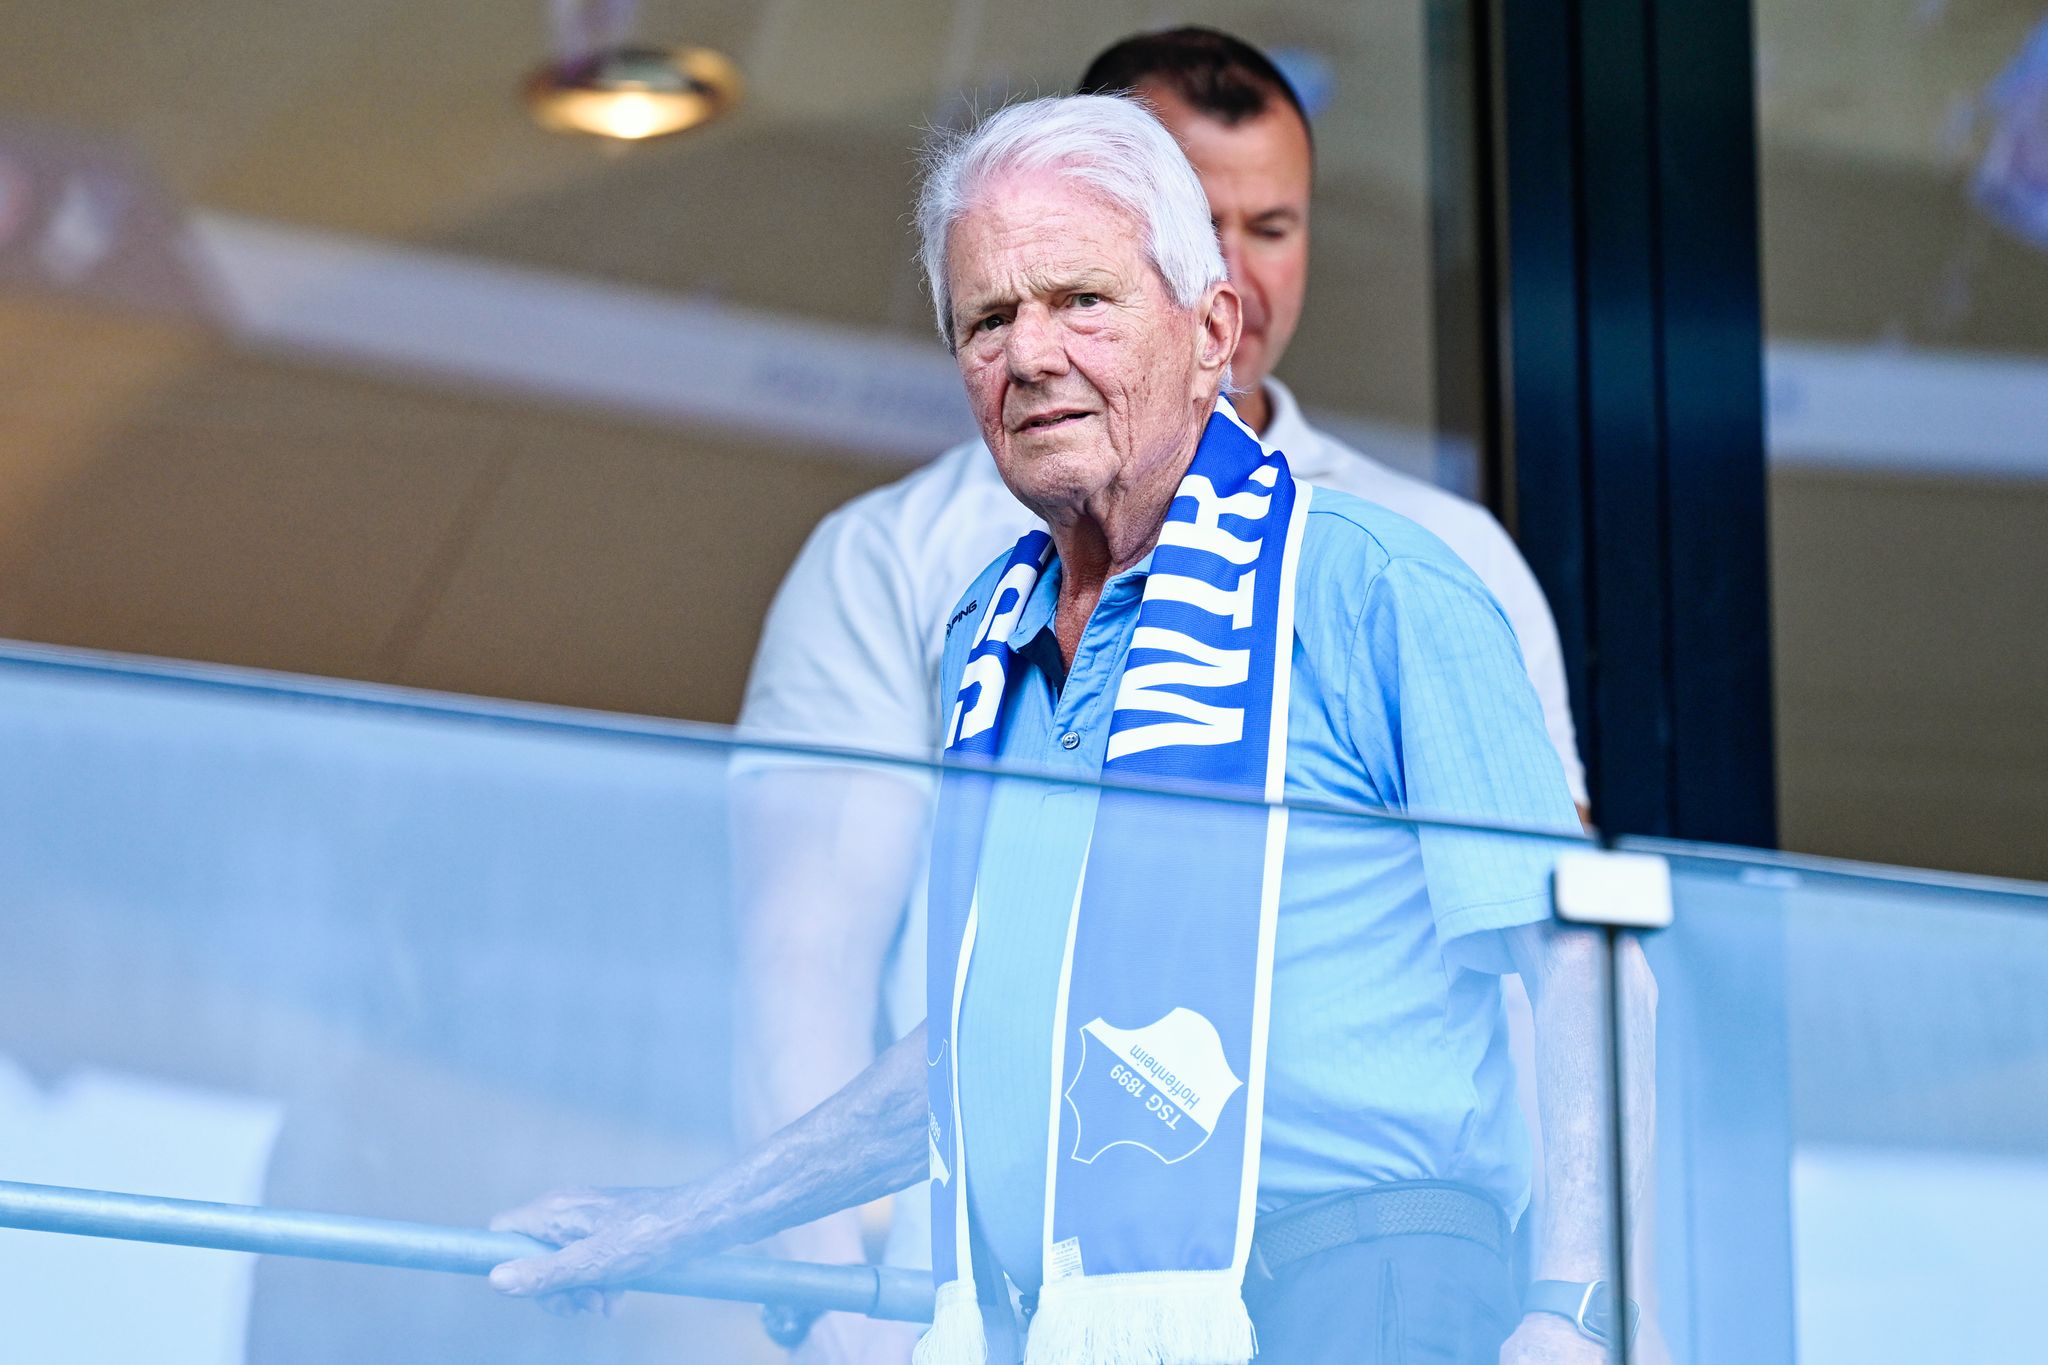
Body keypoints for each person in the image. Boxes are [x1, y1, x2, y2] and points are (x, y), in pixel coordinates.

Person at [494, 92, 1637, 1365]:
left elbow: (1582, 958)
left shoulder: (1374, 581)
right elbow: (987, 1049)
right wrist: (680, 1222)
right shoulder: (993, 640)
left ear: (1211, 333)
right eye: (987, 319)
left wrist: (1575, 1310)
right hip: (1067, 1318)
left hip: (1358, 1294)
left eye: (1080, 300)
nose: (1029, 354)